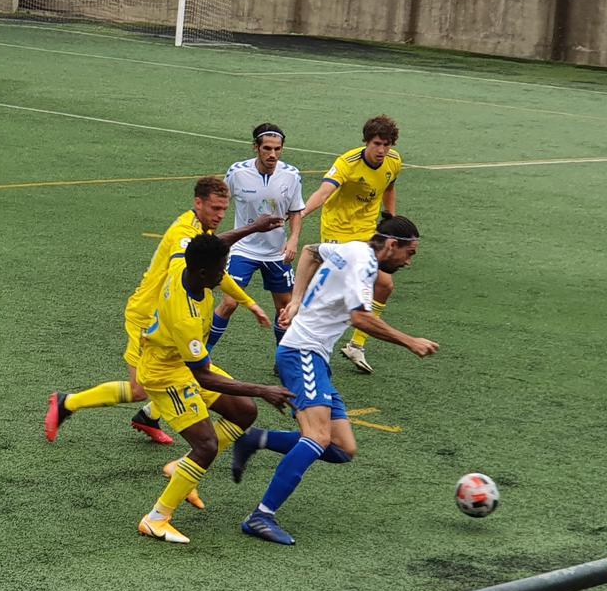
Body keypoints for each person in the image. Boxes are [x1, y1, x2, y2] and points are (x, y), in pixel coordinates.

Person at [235, 215, 437, 546]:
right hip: (302, 353)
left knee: (342, 448)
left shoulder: (354, 248)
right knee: (316, 437)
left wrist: (296, 299)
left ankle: (256, 440)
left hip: (315, 357)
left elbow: (311, 252)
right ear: (391, 245)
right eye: (409, 253)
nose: (409, 262)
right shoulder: (363, 265)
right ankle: (261, 516)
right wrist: (409, 341)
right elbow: (361, 318)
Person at [44, 176, 281, 446]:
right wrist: (252, 228)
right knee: (140, 388)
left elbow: (215, 270)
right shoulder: (184, 232)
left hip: (168, 318)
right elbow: (203, 262)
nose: (220, 215)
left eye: (224, 210)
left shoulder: (203, 234)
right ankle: (68, 403)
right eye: (215, 208)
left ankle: (149, 418)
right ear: (198, 203)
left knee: (176, 369)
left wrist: (248, 302)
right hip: (148, 316)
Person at [136, 234, 295, 544]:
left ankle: (183, 469)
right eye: (221, 270)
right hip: (165, 374)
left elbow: (213, 246)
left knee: (243, 411)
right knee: (206, 445)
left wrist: (249, 302)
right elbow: (203, 377)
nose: (225, 275)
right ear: (202, 273)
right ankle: (157, 518)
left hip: (183, 365)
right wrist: (263, 389)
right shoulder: (185, 316)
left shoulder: (187, 264)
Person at [300, 115, 404, 372]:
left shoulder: (394, 161)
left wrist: (391, 218)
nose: (382, 150)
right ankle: (302, 339)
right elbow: (324, 192)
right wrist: (299, 215)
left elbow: (389, 187)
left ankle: (356, 345)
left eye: (387, 144)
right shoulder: (347, 163)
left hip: (369, 233)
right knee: (334, 293)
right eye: (377, 144)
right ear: (367, 142)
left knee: (385, 285)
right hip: (338, 231)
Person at [207, 123, 305, 356]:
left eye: (277, 149)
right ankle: (203, 354)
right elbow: (220, 203)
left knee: (284, 308)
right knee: (230, 303)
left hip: (276, 252)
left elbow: (296, 211)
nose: (272, 154)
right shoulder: (237, 172)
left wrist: (293, 240)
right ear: (256, 148)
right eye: (267, 149)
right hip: (244, 249)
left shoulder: (291, 175)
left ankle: (283, 359)